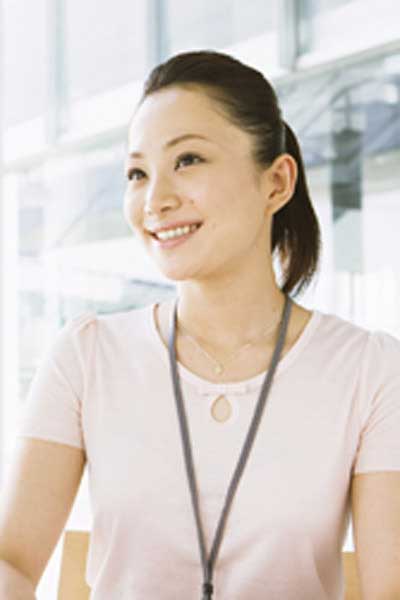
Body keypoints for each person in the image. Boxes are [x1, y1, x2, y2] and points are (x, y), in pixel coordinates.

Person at [1, 50, 400, 599]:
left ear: (276, 183)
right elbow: (12, 560)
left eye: (188, 160)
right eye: (137, 173)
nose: (155, 200)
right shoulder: (86, 354)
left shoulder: (370, 369)